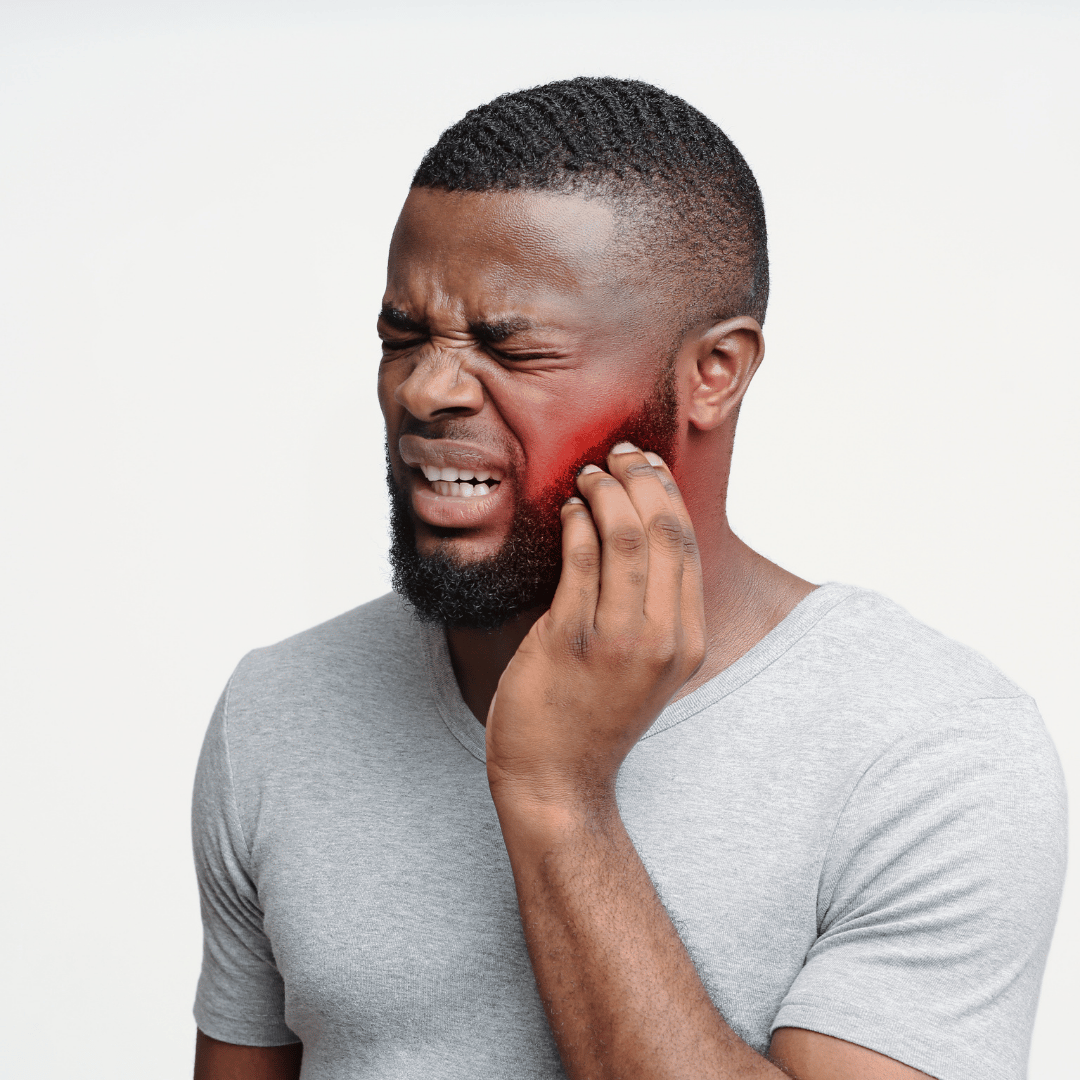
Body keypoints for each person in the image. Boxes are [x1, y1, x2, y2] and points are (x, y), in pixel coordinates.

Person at [191, 78, 1066, 1080]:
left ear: (715, 374)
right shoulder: (280, 708)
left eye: (510, 345)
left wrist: (560, 795)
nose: (427, 391)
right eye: (402, 338)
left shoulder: (933, 751)